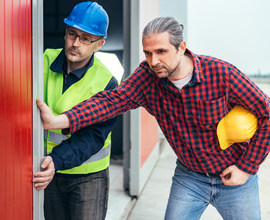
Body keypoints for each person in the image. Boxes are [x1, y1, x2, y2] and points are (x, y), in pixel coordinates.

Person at [36, 16, 270, 220]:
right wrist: (60, 120)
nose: (154, 60)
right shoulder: (148, 77)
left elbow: (267, 114)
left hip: (234, 176)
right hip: (190, 177)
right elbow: (111, 101)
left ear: (181, 47)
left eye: (161, 52)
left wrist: (246, 167)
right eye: (148, 52)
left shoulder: (221, 74)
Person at [32, 1, 118, 220]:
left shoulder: (107, 82)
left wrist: (56, 160)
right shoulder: (42, 61)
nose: (75, 43)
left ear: (99, 44)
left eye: (85, 38)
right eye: (72, 34)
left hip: (88, 177)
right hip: (49, 168)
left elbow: (93, 136)